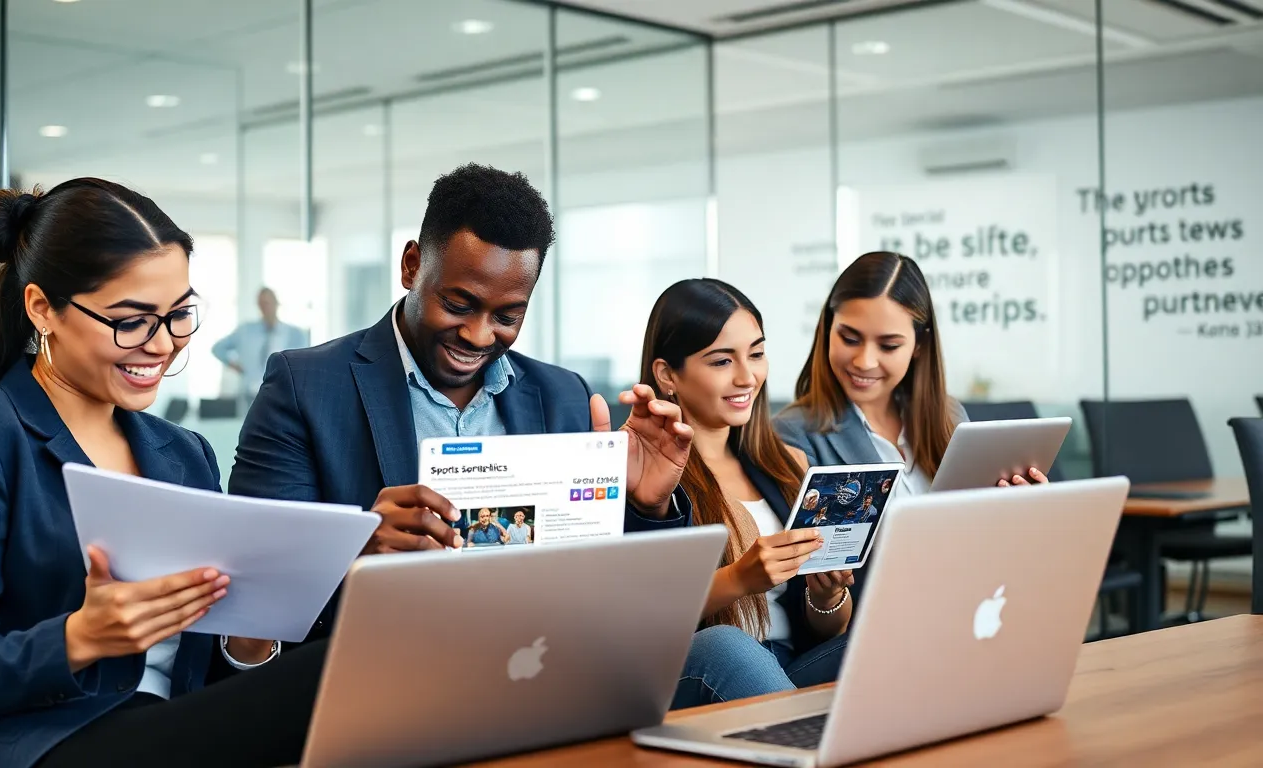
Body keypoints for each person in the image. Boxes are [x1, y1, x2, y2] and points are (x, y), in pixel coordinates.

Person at [0, 179, 325, 768]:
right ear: (41, 308)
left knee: (345, 668)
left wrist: (252, 637)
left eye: (178, 315)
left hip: (163, 731)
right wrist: (81, 638)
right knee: (329, 674)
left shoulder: (184, 455)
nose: (161, 345)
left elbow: (204, 676)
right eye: (131, 320)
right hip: (36, 742)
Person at [228, 164, 694, 644]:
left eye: (508, 316)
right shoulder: (306, 387)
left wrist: (645, 507)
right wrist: (352, 560)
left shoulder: (563, 397)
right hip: (384, 670)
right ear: (412, 266)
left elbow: (619, 601)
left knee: (719, 653)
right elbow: (251, 597)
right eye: (458, 305)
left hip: (536, 665)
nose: (478, 335)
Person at [637, 278, 856, 710]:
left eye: (756, 354)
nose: (747, 376)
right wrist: (739, 579)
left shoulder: (788, 463)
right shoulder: (647, 472)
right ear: (667, 375)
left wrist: (827, 596)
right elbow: (640, 613)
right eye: (722, 361)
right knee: (728, 645)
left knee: (891, 628)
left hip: (783, 668)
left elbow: (826, 629)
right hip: (695, 664)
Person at [774, 252, 1048, 491]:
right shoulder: (793, 434)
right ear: (827, 330)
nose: (865, 361)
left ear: (919, 345)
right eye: (850, 339)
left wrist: (1018, 508)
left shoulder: (950, 417)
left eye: (889, 345)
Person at [210, 288, 309, 402]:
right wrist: (234, 364)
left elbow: (302, 364)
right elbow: (218, 348)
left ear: (276, 303)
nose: (265, 307)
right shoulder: (245, 331)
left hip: (282, 394)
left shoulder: (294, 334)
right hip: (251, 394)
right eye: (261, 303)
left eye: (267, 303)